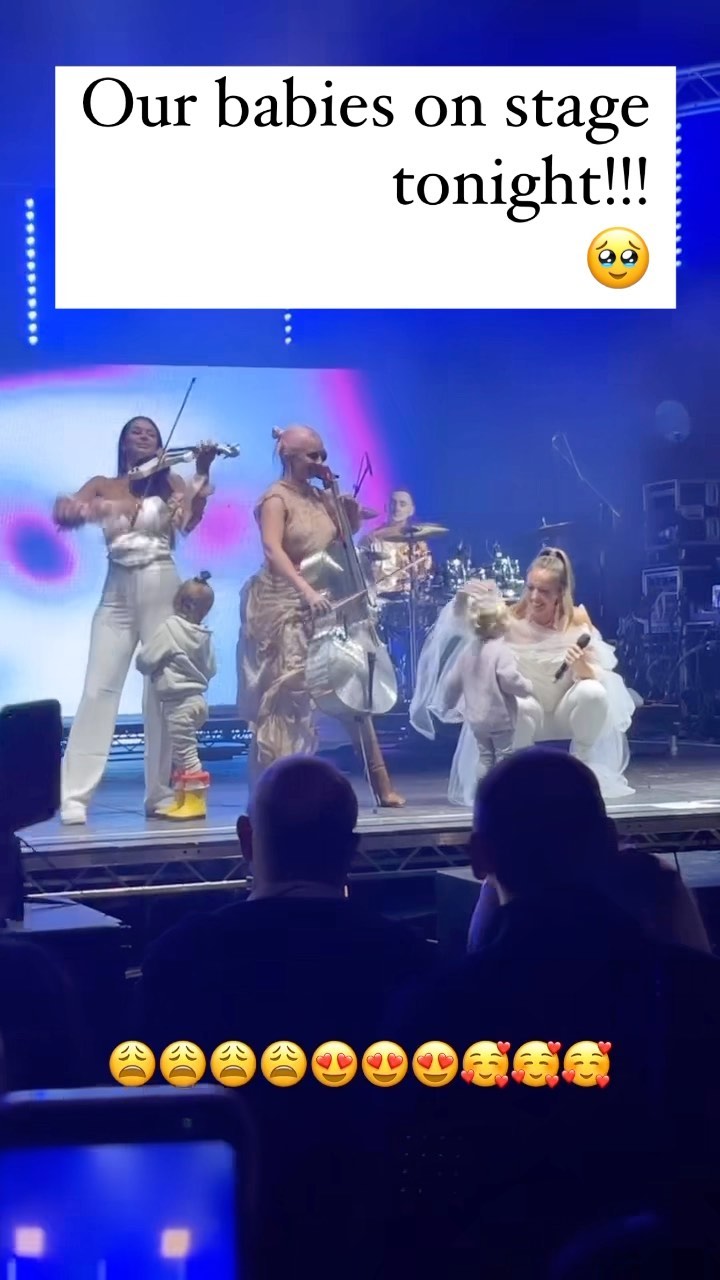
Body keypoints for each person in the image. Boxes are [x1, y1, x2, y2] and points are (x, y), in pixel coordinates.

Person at [379, 750, 720, 1273]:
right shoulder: (695, 991)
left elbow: (410, 1203)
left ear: (480, 857)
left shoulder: (433, 1012)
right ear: (610, 841)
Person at [53, 417, 219, 824]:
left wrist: (202, 470)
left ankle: (160, 793)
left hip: (162, 582)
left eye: (151, 433)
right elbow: (66, 513)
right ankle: (75, 795)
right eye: (136, 432)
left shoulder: (171, 484)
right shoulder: (103, 484)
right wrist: (94, 508)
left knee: (164, 690)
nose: (144, 437)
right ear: (124, 443)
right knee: (98, 688)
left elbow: (189, 523)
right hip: (117, 590)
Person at [237, 424, 403, 805]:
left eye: (323, 455)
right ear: (288, 456)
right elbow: (272, 550)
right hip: (285, 603)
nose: (320, 462)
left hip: (326, 603)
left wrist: (348, 515)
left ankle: (382, 784)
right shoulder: (275, 499)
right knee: (289, 699)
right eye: (312, 455)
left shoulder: (319, 496)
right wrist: (306, 591)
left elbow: (339, 543)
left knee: (351, 682)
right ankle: (279, 790)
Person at [411, 545, 638, 804]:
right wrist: (463, 599)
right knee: (515, 704)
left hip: (565, 710)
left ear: (560, 592)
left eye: (544, 591)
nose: (534, 597)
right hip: (526, 714)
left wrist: (580, 666)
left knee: (594, 693)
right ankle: (518, 776)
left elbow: (599, 674)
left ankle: (581, 769)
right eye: (530, 588)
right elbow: (464, 626)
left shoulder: (577, 620)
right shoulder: (509, 619)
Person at [135, 570, 216, 820]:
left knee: (186, 756)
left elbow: (145, 660)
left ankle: (195, 803)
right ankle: (181, 799)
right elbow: (212, 669)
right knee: (181, 755)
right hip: (198, 701)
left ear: (182, 602)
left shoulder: (170, 628)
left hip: (178, 704)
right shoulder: (204, 635)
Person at [437, 579, 532, 781]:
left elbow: (452, 683)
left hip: (476, 718)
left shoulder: (468, 652)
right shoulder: (501, 650)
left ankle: (482, 789)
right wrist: (526, 687)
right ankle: (502, 791)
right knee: (504, 756)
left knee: (485, 757)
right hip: (499, 717)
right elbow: (509, 679)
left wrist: (447, 703)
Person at [361, 489, 432, 594]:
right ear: (386, 507)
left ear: (411, 510)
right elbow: (360, 574)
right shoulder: (370, 540)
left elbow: (424, 575)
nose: (397, 508)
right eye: (393, 503)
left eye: (402, 504)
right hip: (378, 598)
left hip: (408, 598)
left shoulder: (418, 543)